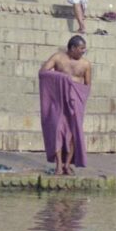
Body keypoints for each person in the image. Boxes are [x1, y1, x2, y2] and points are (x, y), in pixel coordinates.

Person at [38, 36, 92, 175]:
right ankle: (58, 165)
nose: (83, 52)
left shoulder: (85, 64)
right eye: (81, 49)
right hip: (59, 101)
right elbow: (43, 73)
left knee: (74, 133)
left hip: (76, 102)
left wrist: (74, 88)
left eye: (84, 50)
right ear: (73, 48)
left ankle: (67, 165)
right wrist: (63, 78)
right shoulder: (58, 58)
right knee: (57, 131)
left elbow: (87, 86)